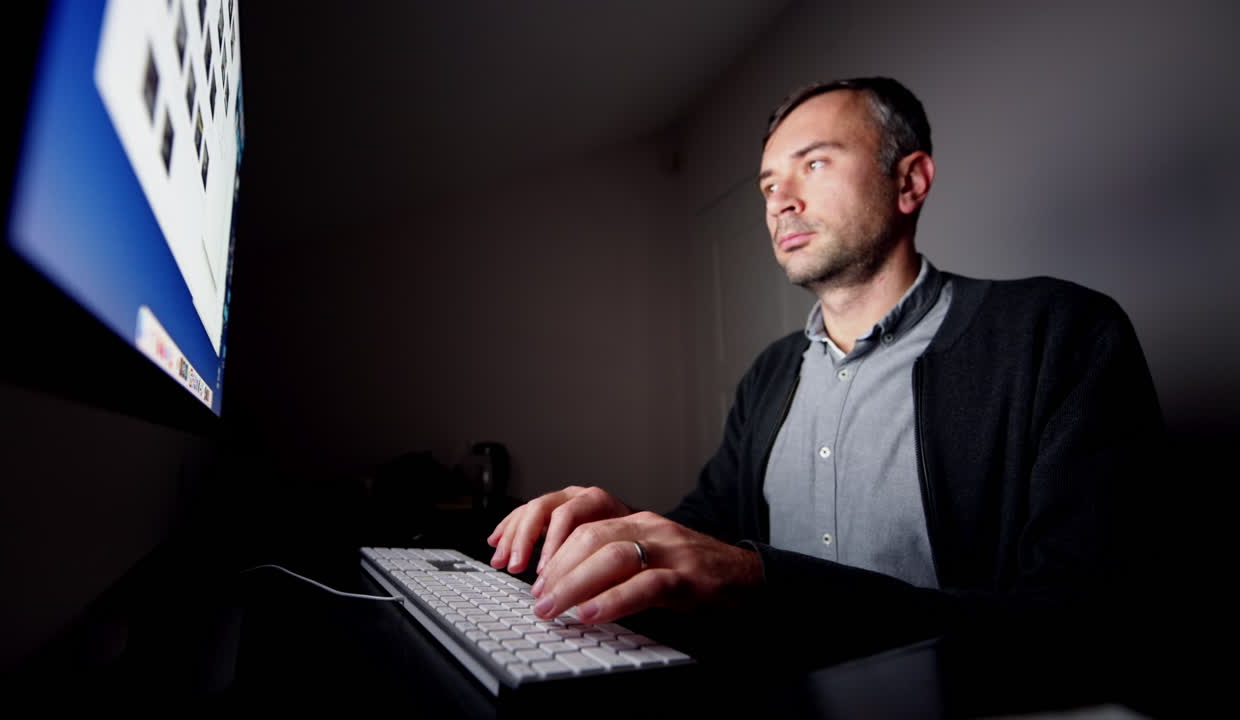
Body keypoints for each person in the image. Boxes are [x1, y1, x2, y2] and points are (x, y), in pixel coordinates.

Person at [486, 77, 1162, 666]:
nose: (779, 200)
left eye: (813, 164)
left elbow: (1086, 628)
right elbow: (709, 537)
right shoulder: (770, 376)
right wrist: (625, 530)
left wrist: (765, 580)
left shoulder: (1060, 335)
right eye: (769, 183)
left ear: (910, 181)